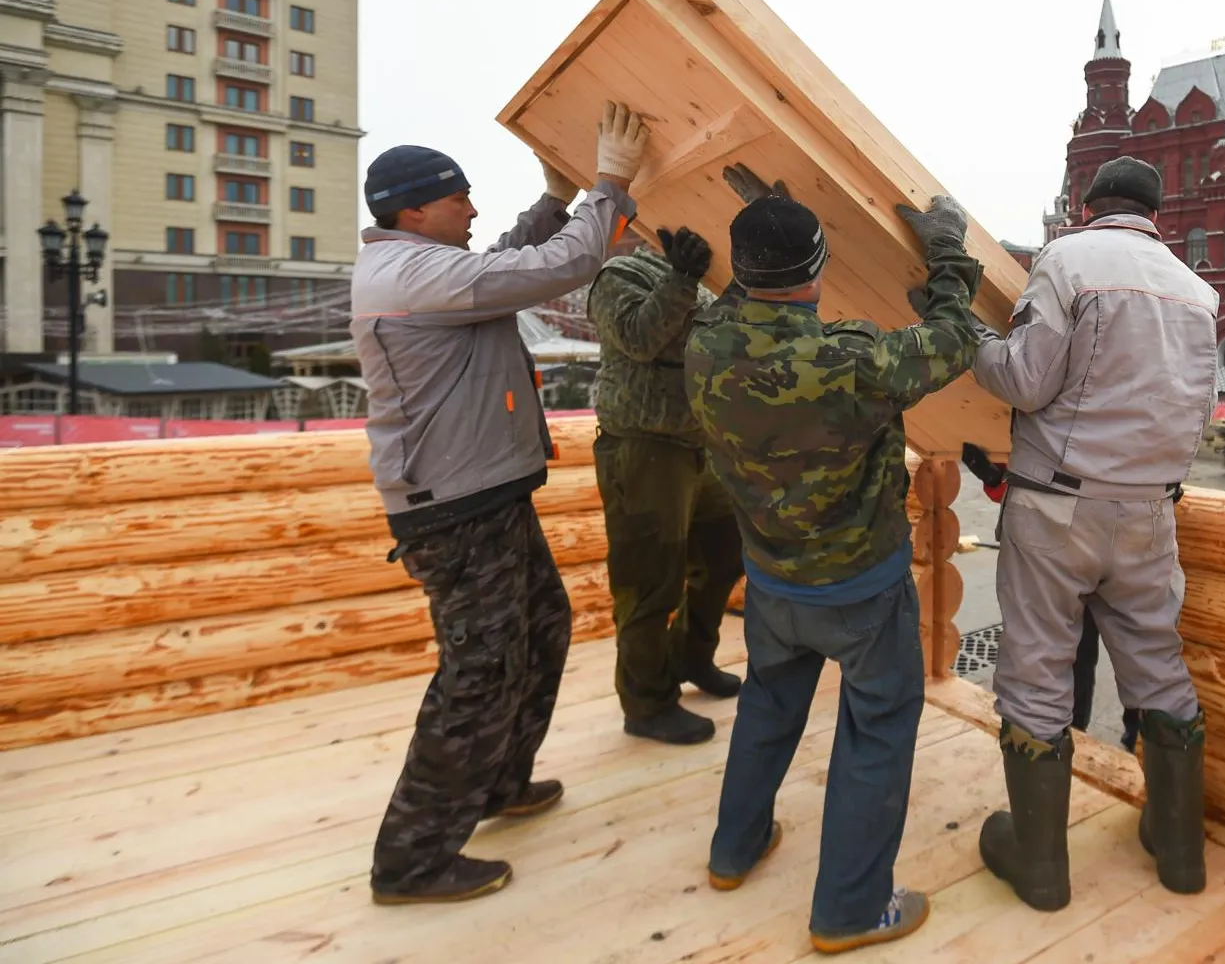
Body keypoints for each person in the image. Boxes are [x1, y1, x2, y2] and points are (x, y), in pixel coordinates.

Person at [354, 102, 650, 904]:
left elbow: (501, 261)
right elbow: (549, 269)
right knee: (479, 671)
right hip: (455, 509)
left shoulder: (424, 267)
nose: (474, 209)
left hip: (484, 494)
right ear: (413, 212)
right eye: (460, 199)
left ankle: (496, 783)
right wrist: (607, 183)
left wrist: (554, 201)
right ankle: (410, 861)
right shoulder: (407, 274)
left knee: (542, 629)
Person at [686, 189, 982, 953]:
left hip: (772, 583)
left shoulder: (704, 342)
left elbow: (736, 296)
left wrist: (764, 220)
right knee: (877, 731)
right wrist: (947, 247)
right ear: (817, 270)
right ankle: (851, 910)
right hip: (859, 590)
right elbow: (956, 335)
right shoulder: (852, 359)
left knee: (766, 708)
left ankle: (734, 850)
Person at [970, 155, 1218, 911]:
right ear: (1155, 215)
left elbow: (1025, 380)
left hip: (1057, 509)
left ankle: (1040, 868)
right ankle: (1179, 853)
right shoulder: (1198, 292)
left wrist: (967, 339)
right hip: (1150, 510)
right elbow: (1199, 410)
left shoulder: (1067, 260)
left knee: (1039, 668)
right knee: (1155, 662)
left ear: (1088, 205)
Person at [588, 222, 746, 745]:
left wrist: (740, 290)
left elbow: (715, 339)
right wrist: (680, 278)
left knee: (724, 560)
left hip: (702, 446)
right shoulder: (619, 274)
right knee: (649, 581)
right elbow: (640, 337)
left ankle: (690, 658)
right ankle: (647, 703)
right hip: (643, 448)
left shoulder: (707, 279)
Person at [960, 442, 1142, 752]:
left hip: (1125, 535)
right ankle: (1071, 741)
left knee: (1135, 653)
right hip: (1065, 544)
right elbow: (1025, 481)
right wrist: (994, 476)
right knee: (1073, 653)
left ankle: (1137, 748)